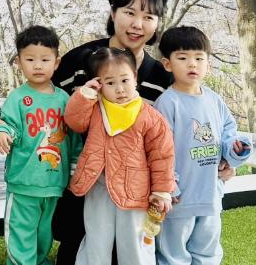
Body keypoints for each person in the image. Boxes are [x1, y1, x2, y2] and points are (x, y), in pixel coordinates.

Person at [0, 0, 233, 264]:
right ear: (113, 13)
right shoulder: (81, 60)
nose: (137, 24)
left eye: (148, 17)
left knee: (133, 248)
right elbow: (37, 91)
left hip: (135, 187)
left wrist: (223, 157)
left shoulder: (163, 79)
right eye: (129, 12)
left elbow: (181, 132)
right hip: (81, 182)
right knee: (85, 247)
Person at [64, 47, 176, 265]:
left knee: (135, 242)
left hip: (135, 189)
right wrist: (84, 95)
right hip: (98, 185)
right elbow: (75, 122)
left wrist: (162, 191)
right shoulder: (95, 108)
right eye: (110, 82)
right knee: (96, 238)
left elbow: (162, 156)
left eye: (125, 80)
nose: (120, 89)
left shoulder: (151, 117)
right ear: (99, 83)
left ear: (135, 77)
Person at [154, 27, 252, 265]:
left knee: (208, 250)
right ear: (168, 64)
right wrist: (169, 185)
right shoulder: (167, 103)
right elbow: (159, 149)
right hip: (180, 198)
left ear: (208, 64)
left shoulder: (214, 99)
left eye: (199, 58)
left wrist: (235, 151)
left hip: (210, 193)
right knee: (173, 253)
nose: (192, 64)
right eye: (183, 58)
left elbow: (229, 131)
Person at [0, 26, 81, 265]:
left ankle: (39, 261)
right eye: (30, 59)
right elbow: (7, 124)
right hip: (24, 183)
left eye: (45, 59)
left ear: (57, 62)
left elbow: (73, 139)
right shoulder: (18, 98)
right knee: (22, 234)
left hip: (54, 183)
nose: (38, 65)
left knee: (44, 235)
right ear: (19, 62)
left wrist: (74, 169)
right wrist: (1, 132)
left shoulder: (64, 98)